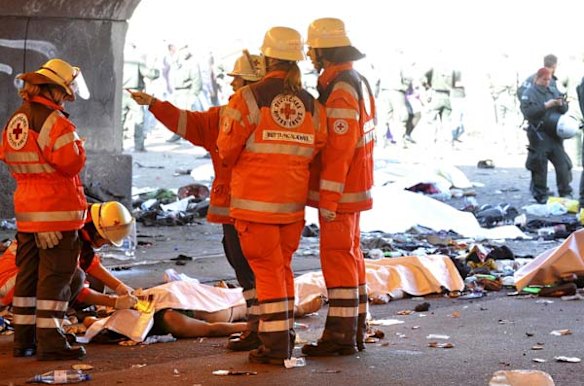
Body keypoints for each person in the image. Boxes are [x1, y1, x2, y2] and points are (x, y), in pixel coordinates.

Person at [128, 51, 265, 351]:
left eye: (237, 81)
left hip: (246, 210)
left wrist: (153, 104)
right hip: (266, 209)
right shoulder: (258, 118)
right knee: (254, 272)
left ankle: (266, 331)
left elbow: (188, 123)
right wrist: (154, 104)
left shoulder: (226, 118)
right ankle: (264, 329)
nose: (231, 87)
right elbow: (187, 122)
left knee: (253, 271)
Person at [217, 26, 327, 365]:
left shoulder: (247, 98)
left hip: (255, 206)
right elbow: (319, 145)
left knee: (266, 272)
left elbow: (226, 149)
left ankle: (275, 344)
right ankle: (285, 335)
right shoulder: (310, 103)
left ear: (266, 60)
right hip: (291, 207)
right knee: (282, 270)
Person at [0, 58, 89, 361]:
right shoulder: (54, 121)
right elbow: (70, 163)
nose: (66, 98)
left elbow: (9, 158)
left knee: (28, 277)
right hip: (56, 213)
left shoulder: (18, 119)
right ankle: (51, 343)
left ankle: (23, 341)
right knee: (56, 277)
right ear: (54, 90)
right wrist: (80, 146)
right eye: (64, 92)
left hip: (28, 213)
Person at [302, 18, 375, 357]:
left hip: (343, 190)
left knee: (338, 257)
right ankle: (354, 329)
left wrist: (328, 196)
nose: (309, 55)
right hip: (355, 186)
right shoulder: (353, 82)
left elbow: (339, 148)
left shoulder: (342, 87)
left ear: (323, 51)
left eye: (313, 49)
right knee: (351, 255)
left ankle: (341, 337)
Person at [0, 202, 138, 312]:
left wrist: (120, 287)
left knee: (94, 282)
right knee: (77, 278)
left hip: (27, 278)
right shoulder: (67, 237)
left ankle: (53, 310)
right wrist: (114, 302)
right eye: (106, 240)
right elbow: (76, 286)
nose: (107, 244)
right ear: (96, 231)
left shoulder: (79, 222)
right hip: (11, 289)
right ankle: (40, 316)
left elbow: (91, 263)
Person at [520, 67, 572, 204]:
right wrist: (545, 106)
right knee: (539, 166)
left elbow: (564, 109)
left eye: (548, 80)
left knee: (563, 165)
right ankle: (541, 194)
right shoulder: (529, 93)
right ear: (537, 78)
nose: (546, 82)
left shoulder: (553, 91)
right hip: (539, 134)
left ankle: (565, 192)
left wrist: (561, 104)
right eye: (544, 79)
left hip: (554, 133)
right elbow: (529, 113)